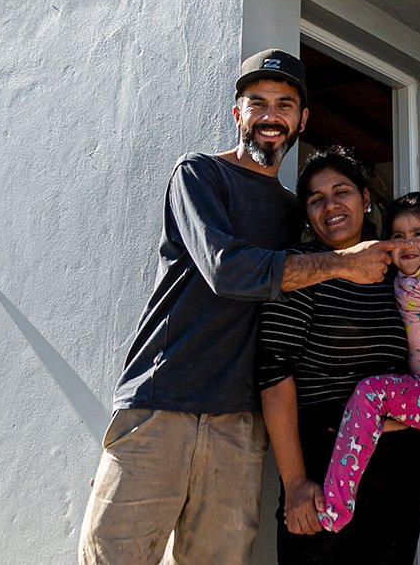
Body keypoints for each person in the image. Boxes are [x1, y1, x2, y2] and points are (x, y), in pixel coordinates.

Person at [78, 52, 400, 565]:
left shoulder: (295, 211)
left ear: (302, 120)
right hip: (162, 404)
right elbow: (227, 270)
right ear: (237, 113)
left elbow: (309, 307)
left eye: (285, 105)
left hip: (241, 424)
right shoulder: (198, 174)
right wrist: (342, 263)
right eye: (258, 103)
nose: (271, 116)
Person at [257, 148, 420, 565]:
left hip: (399, 462)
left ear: (365, 198)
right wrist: (294, 481)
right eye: (316, 199)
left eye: (342, 191)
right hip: (324, 460)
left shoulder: (397, 273)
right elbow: (274, 375)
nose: (330, 205)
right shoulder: (302, 269)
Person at [317, 189, 420, 532]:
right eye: (398, 236)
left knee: (371, 393)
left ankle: (335, 507)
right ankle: (343, 498)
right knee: (363, 409)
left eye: (418, 234)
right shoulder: (395, 281)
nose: (407, 243)